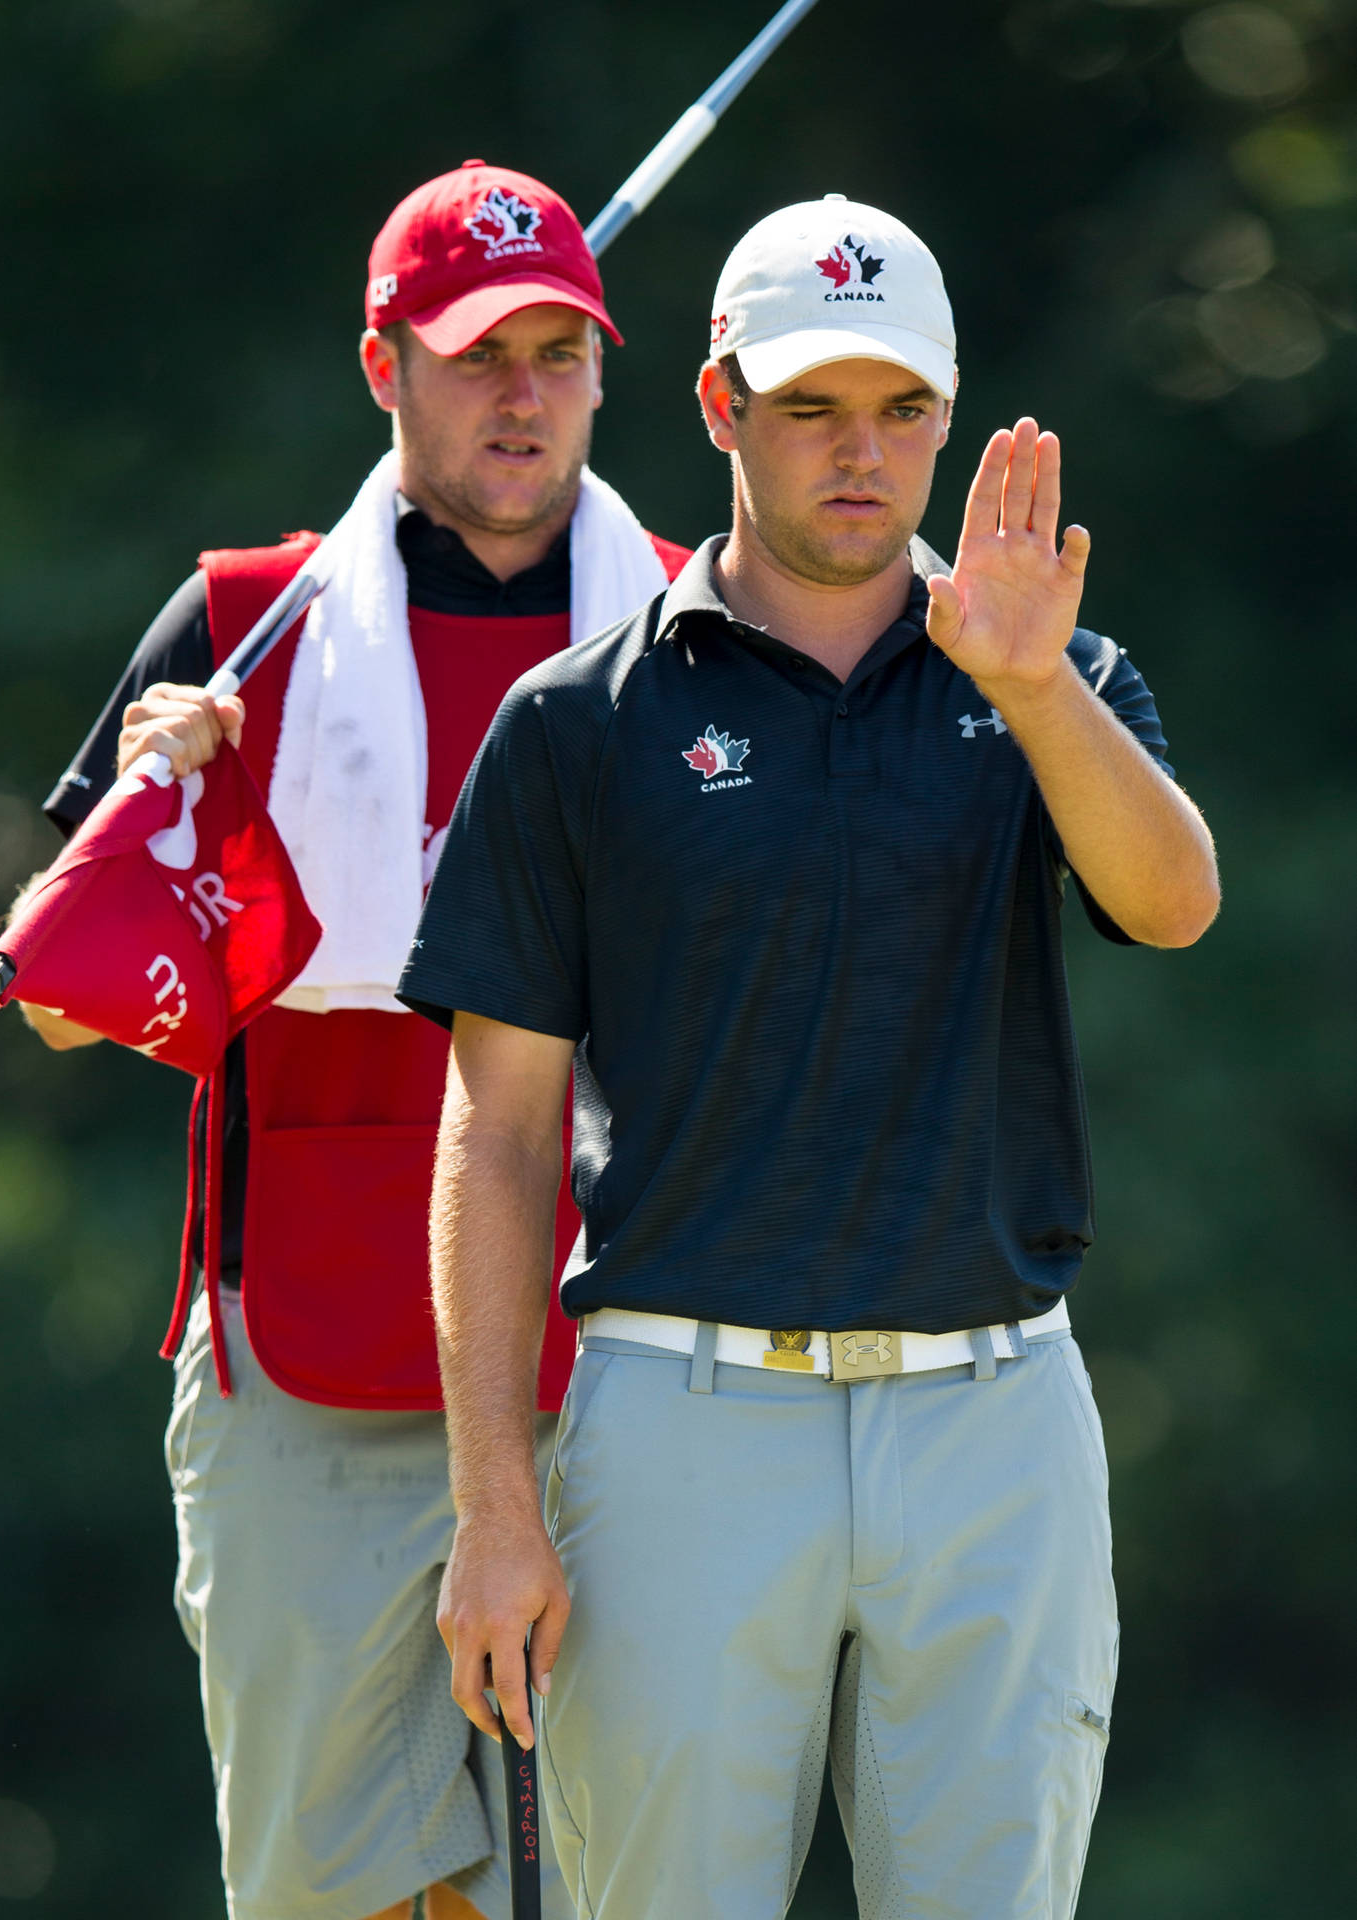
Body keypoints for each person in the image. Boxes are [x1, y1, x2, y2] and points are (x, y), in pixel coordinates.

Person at [395, 195, 1221, 1919]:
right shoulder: (575, 723)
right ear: (718, 407)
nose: (863, 452)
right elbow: (498, 1132)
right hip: (682, 1418)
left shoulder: (1055, 677)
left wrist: (1036, 683)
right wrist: (491, 1508)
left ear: (947, 416)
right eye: (810, 408)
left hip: (994, 1418)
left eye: (901, 410)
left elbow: (1168, 907)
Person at [23, 160, 689, 1920]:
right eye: (477, 355)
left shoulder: (704, 626)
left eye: (559, 351)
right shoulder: (249, 627)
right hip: (302, 1351)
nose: (522, 396)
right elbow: (59, 1004)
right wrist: (174, 815)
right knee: (338, 1896)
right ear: (382, 366)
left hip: (622, 1350)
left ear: (607, 376)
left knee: (642, 1883)